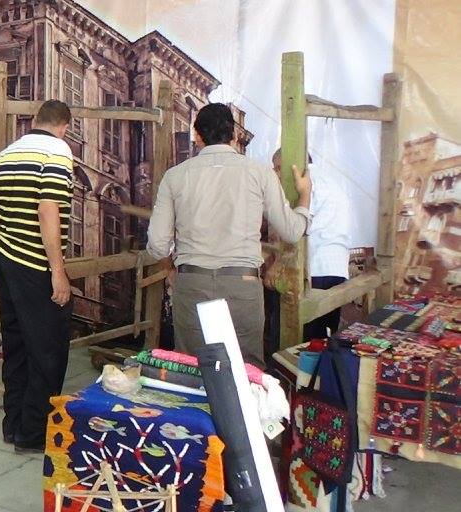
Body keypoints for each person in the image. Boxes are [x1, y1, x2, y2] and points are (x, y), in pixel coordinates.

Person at [146, 103, 312, 368]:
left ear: (197, 135)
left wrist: (170, 270)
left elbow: (157, 244)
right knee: (246, 374)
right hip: (242, 285)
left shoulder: (174, 177)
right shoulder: (260, 173)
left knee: (192, 371)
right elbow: (292, 231)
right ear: (234, 135)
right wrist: (304, 197)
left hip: (192, 282)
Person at [0, 99, 74, 453]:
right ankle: (33, 434)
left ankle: (13, 425)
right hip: (34, 264)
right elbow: (48, 210)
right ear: (64, 127)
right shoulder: (58, 152)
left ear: (36, 120)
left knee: (16, 345)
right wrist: (58, 271)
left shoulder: (8, 153)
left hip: (5, 260)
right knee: (47, 350)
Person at [273, 150, 351, 341]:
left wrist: (279, 265)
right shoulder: (332, 183)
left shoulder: (307, 184)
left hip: (315, 269)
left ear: (290, 165)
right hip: (336, 268)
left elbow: (300, 230)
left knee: (304, 340)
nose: (276, 174)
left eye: (277, 168)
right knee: (323, 337)